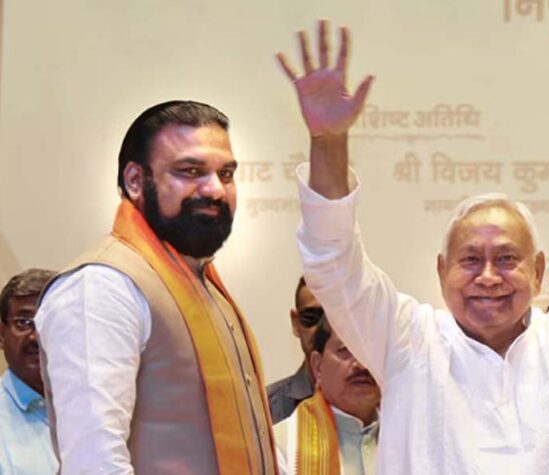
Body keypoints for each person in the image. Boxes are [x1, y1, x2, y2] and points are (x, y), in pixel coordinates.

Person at [278, 20, 549, 474]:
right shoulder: (405, 338)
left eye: (506, 259)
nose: (488, 277)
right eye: (470, 260)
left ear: (538, 271)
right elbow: (333, 262)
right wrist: (328, 142)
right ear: (441, 270)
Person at [35, 101, 276, 474]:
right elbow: (94, 463)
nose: (215, 189)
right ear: (135, 181)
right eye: (191, 171)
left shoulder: (204, 283)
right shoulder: (101, 286)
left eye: (226, 174)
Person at [274, 317, 381, 475]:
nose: (361, 365)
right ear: (318, 366)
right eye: (345, 350)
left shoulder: (410, 438)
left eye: (372, 352)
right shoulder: (280, 448)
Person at [0, 269, 58, 474]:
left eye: (49, 322)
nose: (36, 337)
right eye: (24, 322)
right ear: (1, 334)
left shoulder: (96, 405)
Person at [267, 277, 324, 423]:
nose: (323, 329)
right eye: (311, 317)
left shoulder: (374, 402)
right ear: (295, 322)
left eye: (334, 317)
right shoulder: (264, 408)